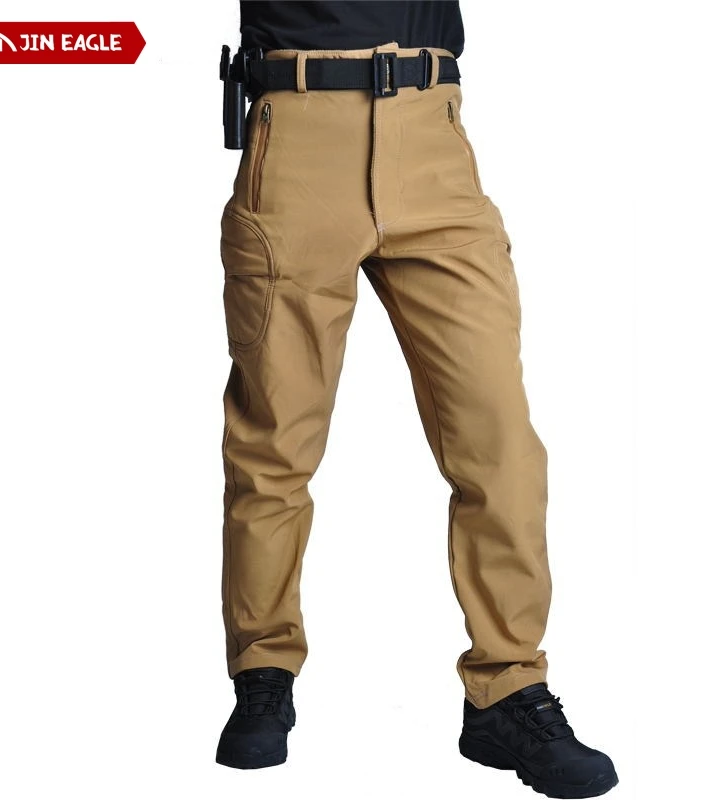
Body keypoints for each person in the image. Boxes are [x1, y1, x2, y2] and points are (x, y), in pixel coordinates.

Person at [214, 2, 618, 797]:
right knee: (275, 440)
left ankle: (507, 688)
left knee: (499, 440)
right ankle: (262, 672)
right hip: (297, 135)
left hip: (433, 141)